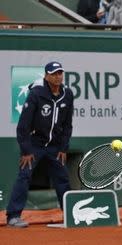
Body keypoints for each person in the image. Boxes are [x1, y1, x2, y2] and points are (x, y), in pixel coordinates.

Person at [6, 62, 74, 228]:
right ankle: (13, 216)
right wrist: (26, 150)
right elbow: (23, 125)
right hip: (34, 144)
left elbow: (67, 125)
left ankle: (72, 215)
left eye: (60, 73)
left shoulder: (68, 94)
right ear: (46, 76)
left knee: (62, 178)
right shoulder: (36, 93)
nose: (58, 77)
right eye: (54, 74)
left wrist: (63, 147)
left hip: (55, 146)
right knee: (24, 176)